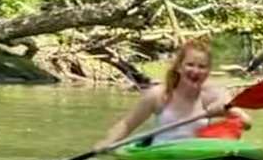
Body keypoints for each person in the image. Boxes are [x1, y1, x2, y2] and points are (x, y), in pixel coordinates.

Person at [101, 37, 250, 149]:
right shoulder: (158, 95)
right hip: (161, 153)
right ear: (179, 67)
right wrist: (106, 144)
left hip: (195, 153)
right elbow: (127, 124)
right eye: (190, 65)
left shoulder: (214, 95)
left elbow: (246, 123)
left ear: (208, 71)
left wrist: (228, 110)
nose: (195, 71)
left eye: (202, 67)